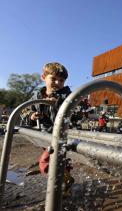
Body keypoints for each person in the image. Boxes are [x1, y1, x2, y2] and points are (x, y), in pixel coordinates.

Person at [22, 62, 74, 196]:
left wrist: (57, 104)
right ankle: (64, 187)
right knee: (59, 161)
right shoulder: (37, 96)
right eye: (53, 78)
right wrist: (31, 116)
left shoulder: (67, 96)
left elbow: (76, 113)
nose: (57, 82)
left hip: (61, 136)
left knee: (45, 162)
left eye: (61, 80)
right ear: (43, 77)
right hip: (45, 134)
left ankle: (64, 182)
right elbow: (25, 111)